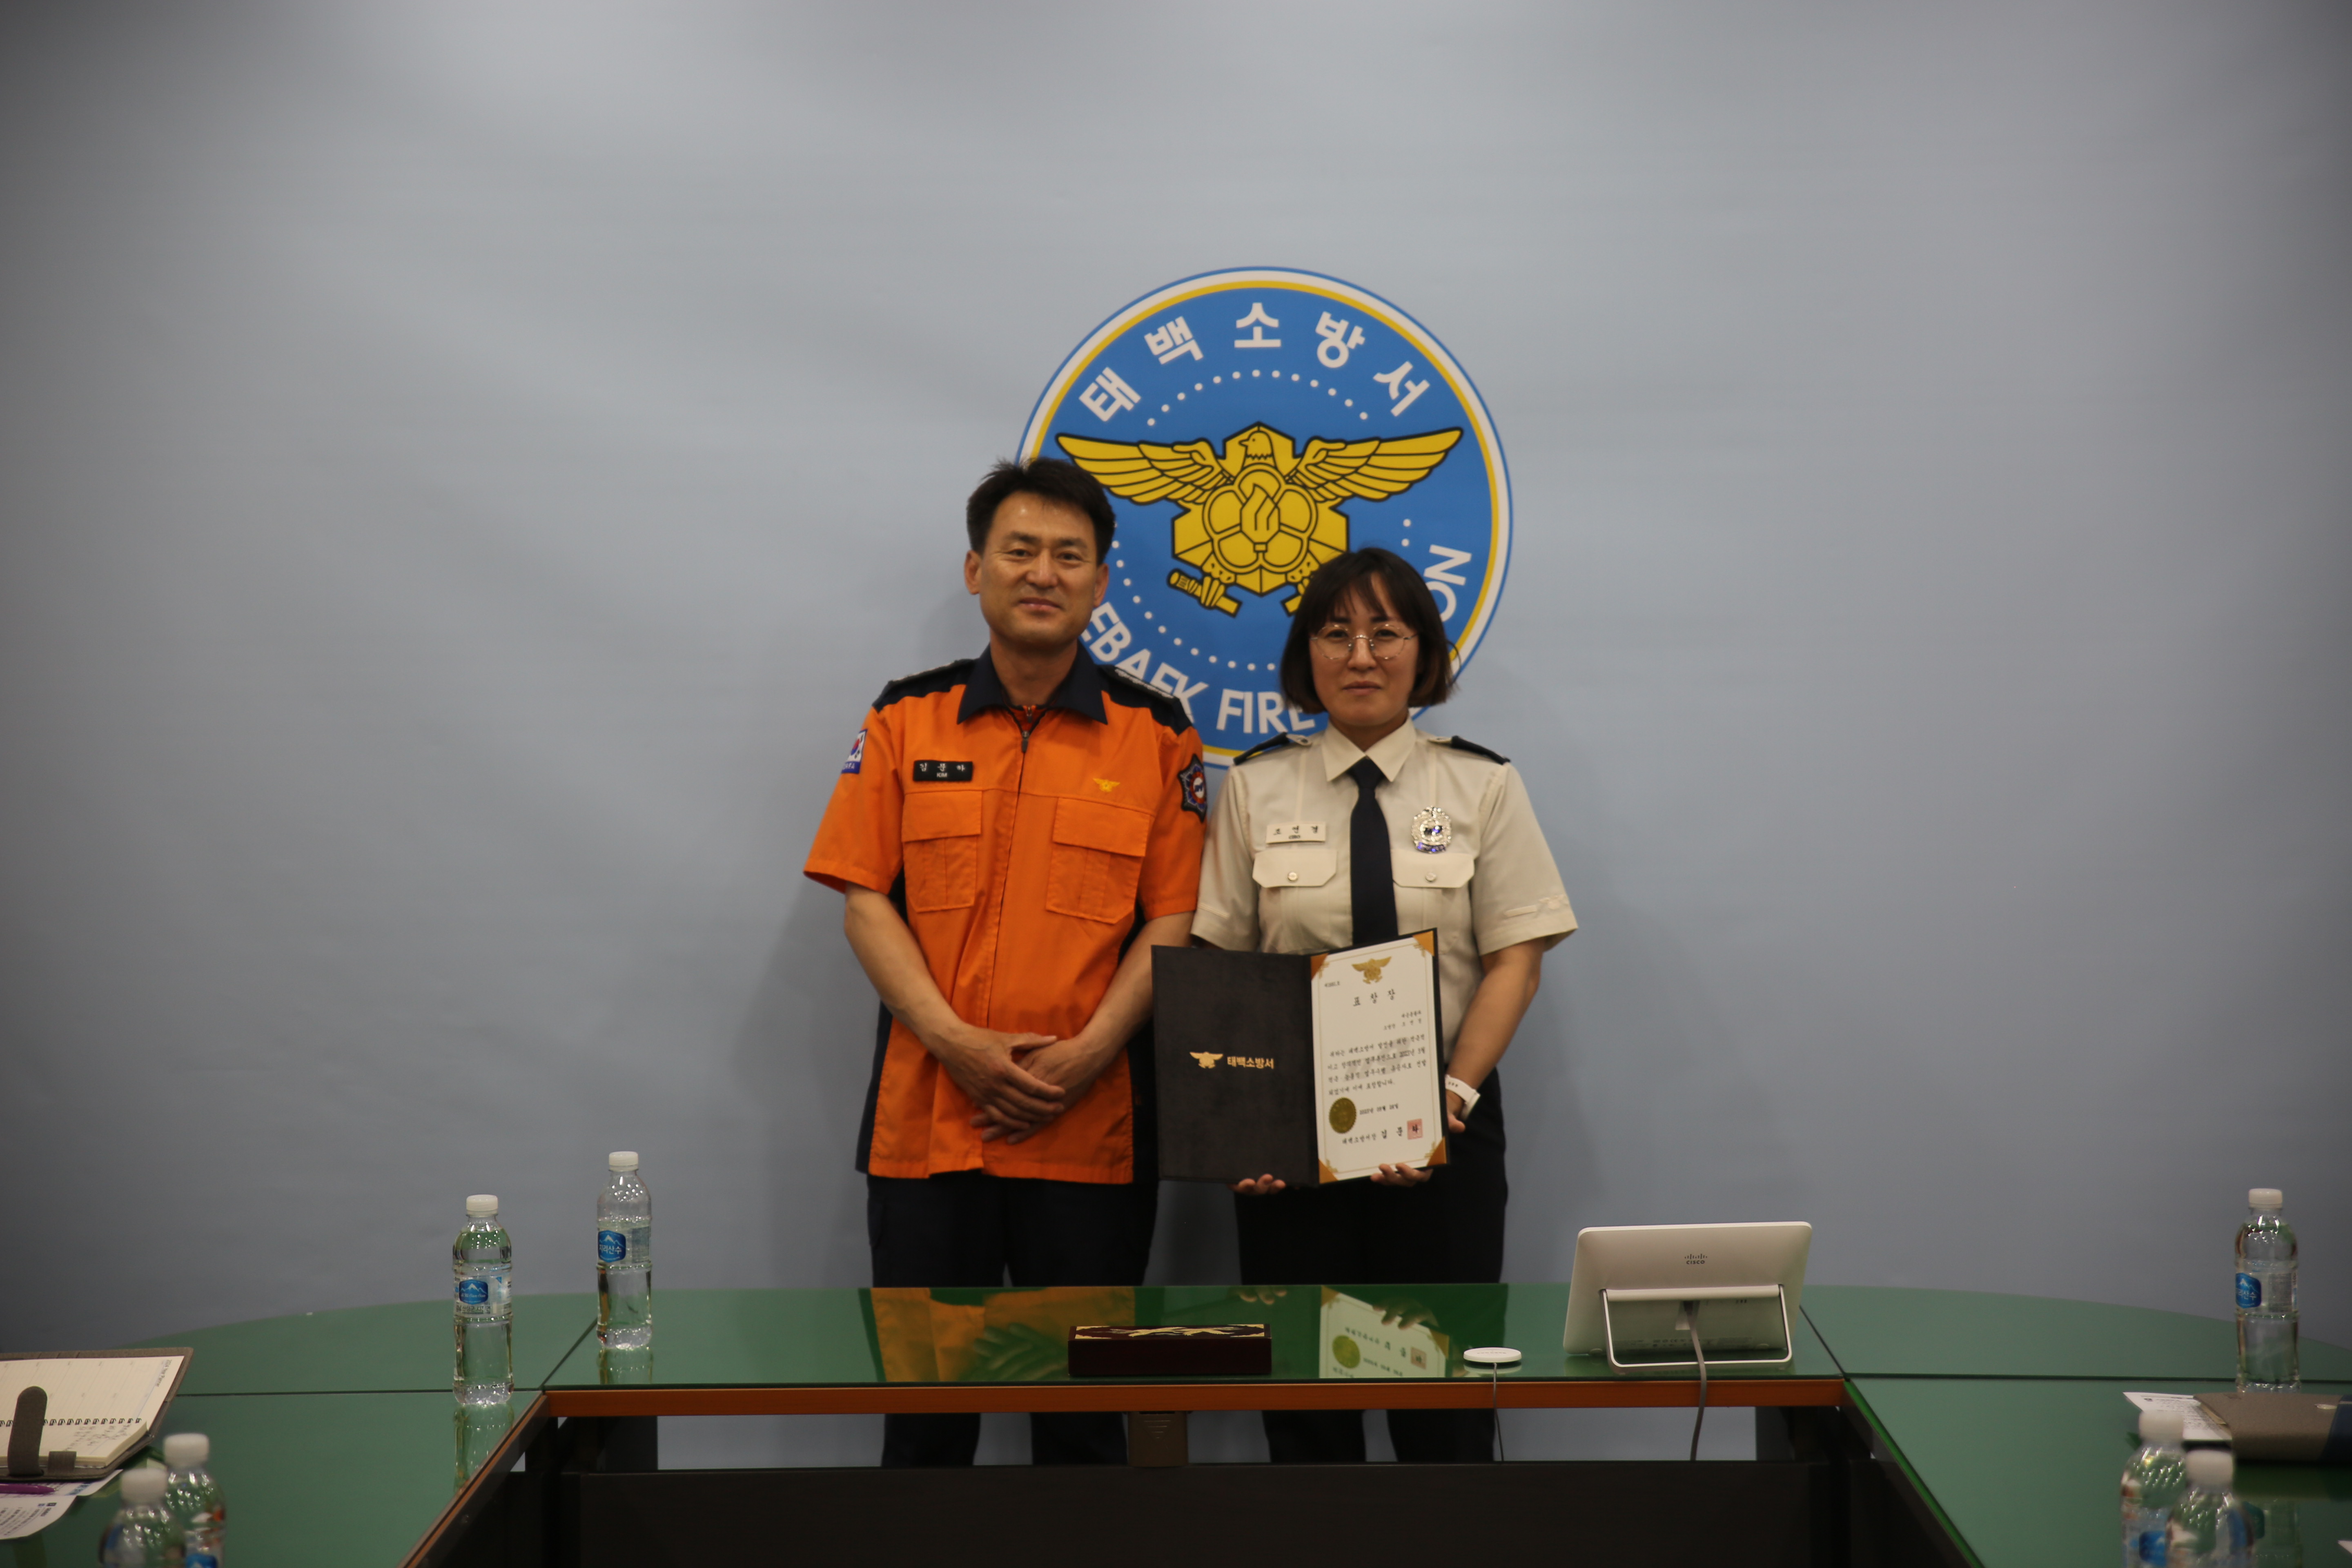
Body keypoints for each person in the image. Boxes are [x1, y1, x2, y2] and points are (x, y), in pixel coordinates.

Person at [803, 457, 1207, 1466]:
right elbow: (864, 899)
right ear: (975, 569)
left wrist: (1087, 1054)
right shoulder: (905, 717)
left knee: (1084, 1422)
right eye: (1020, 550)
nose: (1043, 573)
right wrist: (954, 1041)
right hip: (929, 1131)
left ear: (1101, 583)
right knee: (926, 1422)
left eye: (1070, 556)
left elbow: (1175, 918)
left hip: (1090, 1135)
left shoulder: (1158, 734)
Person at [1192, 546, 1575, 1463]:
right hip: (1290, 1143)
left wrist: (1447, 1101)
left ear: (1423, 653)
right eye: (1336, 634)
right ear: (1307, 655)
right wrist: (1244, 1128)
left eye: (1385, 633)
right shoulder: (1255, 787)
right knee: (1306, 1409)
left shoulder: (1482, 785)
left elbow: (1516, 961)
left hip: (1447, 1119)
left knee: (1445, 1406)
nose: (1361, 655)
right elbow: (1223, 964)